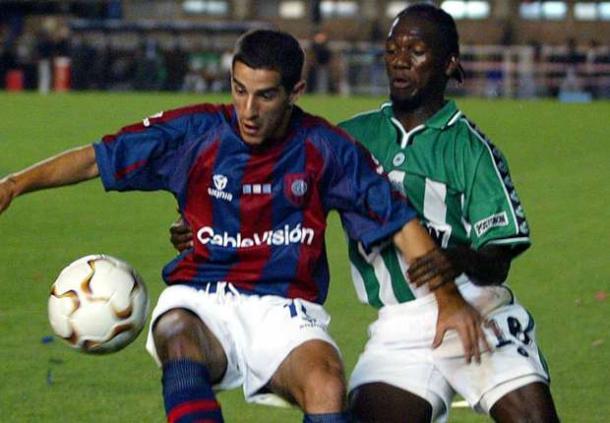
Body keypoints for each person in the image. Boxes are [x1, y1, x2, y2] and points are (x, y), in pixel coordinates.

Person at [0, 29, 486, 423]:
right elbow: (96, 159)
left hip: (284, 306)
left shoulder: (325, 148)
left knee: (326, 384)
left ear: (295, 92)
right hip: (203, 296)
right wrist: (15, 184)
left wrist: (448, 300)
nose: (248, 111)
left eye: (265, 95)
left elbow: (398, 220)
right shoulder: (195, 134)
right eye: (239, 90)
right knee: (175, 331)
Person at [341, 5, 559, 422]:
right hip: (399, 325)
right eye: (392, 49)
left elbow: (497, 261)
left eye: (416, 51)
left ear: (448, 63)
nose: (400, 60)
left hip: (475, 306)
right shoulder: (352, 137)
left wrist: (456, 257)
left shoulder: (471, 150)